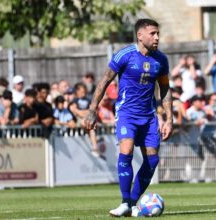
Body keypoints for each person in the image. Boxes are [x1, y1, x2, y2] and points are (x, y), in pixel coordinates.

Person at [84, 19, 172, 217]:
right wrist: (92, 109)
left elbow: (165, 88)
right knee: (127, 150)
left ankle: (132, 203)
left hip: (149, 116)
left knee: (152, 159)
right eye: (152, 33)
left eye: (158, 33)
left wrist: (169, 118)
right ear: (140, 35)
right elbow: (105, 80)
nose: (157, 37)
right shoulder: (124, 55)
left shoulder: (161, 60)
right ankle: (125, 202)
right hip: (127, 114)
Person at [69, 82, 99, 155]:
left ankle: (95, 147)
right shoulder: (75, 100)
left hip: (87, 119)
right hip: (79, 120)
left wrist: (81, 112)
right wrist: (83, 112)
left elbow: (91, 111)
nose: (84, 93)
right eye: (82, 91)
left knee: (91, 129)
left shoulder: (88, 100)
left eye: (85, 91)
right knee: (87, 124)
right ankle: (95, 139)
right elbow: (74, 111)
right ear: (77, 91)